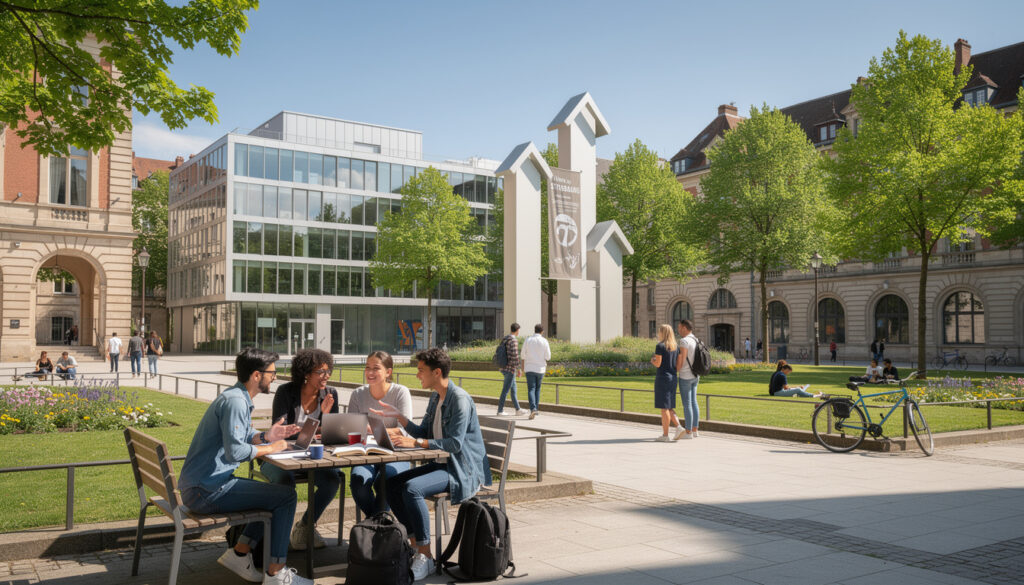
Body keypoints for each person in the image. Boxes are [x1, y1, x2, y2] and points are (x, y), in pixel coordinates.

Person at [178, 348, 311, 585]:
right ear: (256, 375)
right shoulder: (236, 402)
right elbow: (236, 452)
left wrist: (266, 436)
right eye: (272, 372)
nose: (275, 377)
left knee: (274, 495)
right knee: (286, 497)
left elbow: (243, 436)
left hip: (202, 485)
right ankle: (276, 574)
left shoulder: (235, 396)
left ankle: (240, 553)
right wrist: (272, 448)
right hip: (205, 491)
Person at [372, 348, 490, 581]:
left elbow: (454, 444)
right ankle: (416, 545)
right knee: (389, 483)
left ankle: (425, 555)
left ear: (436, 372)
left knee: (412, 489)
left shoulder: (459, 399)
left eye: (421, 370)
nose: (418, 375)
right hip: (442, 464)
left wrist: (414, 442)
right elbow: (424, 432)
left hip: (460, 469)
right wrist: (401, 418)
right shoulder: (436, 397)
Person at [263, 348, 339, 551]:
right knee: (284, 482)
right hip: (278, 457)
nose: (326, 376)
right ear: (306, 373)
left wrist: (323, 423)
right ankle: (279, 535)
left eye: (328, 371)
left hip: (311, 458)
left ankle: (305, 526)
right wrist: (317, 420)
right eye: (321, 372)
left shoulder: (330, 394)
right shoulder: (286, 392)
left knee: (333, 479)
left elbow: (332, 433)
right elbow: (281, 432)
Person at [346, 351, 413, 518]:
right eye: (367, 367)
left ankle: (375, 528)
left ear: (388, 372)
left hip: (397, 453)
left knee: (385, 481)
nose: (370, 372)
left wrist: (374, 430)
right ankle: (380, 523)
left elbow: (404, 429)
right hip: (366, 453)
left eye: (376, 368)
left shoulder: (400, 392)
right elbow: (351, 427)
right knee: (358, 482)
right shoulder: (358, 394)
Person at [651, 324, 680, 442]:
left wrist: (652, 360)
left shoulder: (660, 346)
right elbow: (677, 365)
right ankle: (679, 427)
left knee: (664, 408)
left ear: (662, 332)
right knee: (669, 406)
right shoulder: (675, 347)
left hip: (662, 378)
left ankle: (665, 435)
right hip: (673, 377)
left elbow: (658, 363)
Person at [675, 320, 701, 440]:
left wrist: (677, 369)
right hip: (695, 375)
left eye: (680, 328)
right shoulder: (696, 339)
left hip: (685, 375)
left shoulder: (684, 341)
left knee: (687, 404)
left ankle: (688, 432)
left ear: (685, 328)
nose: (678, 330)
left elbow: (682, 357)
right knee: (694, 402)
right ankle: (695, 430)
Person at [520, 324, 551, 419]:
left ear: (534, 330)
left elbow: (522, 355)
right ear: (542, 331)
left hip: (529, 367)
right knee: (537, 389)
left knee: (531, 389)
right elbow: (548, 357)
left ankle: (533, 409)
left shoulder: (528, 340)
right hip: (540, 368)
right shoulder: (544, 341)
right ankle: (535, 409)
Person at [496, 323, 526, 416]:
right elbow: (515, 355)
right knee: (505, 390)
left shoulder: (505, 339)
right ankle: (500, 411)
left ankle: (518, 409)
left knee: (513, 389)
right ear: (517, 330)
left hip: (503, 367)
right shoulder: (513, 340)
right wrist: (518, 368)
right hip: (510, 369)